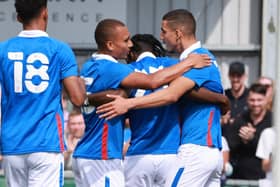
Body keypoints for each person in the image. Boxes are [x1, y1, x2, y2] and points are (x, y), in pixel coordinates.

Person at [72, 18, 211, 187]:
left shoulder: (89, 66)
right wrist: (189, 63)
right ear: (110, 45)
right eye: (125, 40)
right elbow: (152, 81)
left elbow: (85, 99)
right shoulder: (115, 68)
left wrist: (114, 95)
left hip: (94, 152)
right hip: (102, 155)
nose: (130, 44)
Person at [0, 0, 86, 186]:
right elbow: (78, 98)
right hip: (45, 143)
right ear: (45, 13)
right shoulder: (59, 49)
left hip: (12, 143)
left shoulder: (3, 50)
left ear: (18, 17)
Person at [225, 83, 272, 180]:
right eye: (252, 100)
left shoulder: (272, 121)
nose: (255, 104)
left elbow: (273, 149)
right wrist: (242, 139)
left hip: (264, 179)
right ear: (247, 100)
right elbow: (230, 144)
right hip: (240, 177)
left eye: (259, 100)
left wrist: (253, 138)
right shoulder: (240, 119)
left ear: (266, 100)